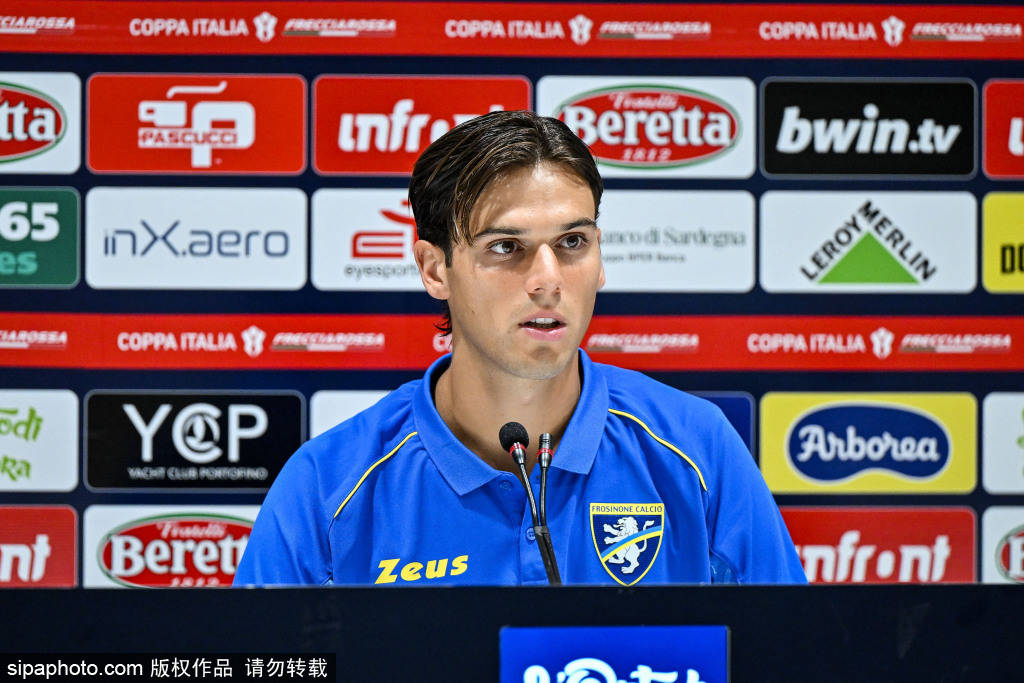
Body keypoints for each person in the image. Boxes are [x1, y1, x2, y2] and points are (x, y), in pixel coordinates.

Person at [234, 110, 806, 586]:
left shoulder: (697, 450)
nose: (548, 279)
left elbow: (790, 658)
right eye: (507, 247)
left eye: (573, 242)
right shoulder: (327, 486)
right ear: (434, 269)